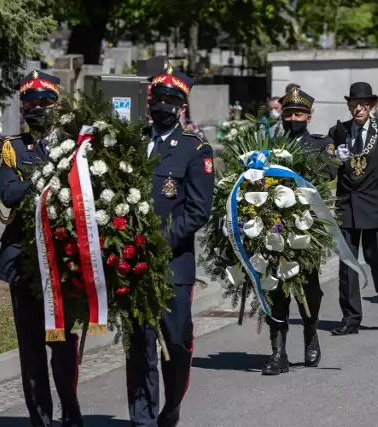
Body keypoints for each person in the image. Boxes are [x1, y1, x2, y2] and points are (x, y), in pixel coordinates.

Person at [0, 70, 83, 427]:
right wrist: (46, 176)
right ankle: (40, 419)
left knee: (61, 344)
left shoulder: (73, 145)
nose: (37, 108)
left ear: (57, 106)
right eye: (31, 103)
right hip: (22, 261)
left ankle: (71, 411)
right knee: (30, 349)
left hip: (62, 259)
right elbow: (9, 194)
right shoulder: (12, 148)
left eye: (45, 102)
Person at [127, 66, 215, 427]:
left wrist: (158, 242)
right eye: (158, 99)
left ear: (181, 106)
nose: (162, 106)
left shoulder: (195, 150)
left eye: (170, 100)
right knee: (139, 346)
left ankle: (171, 406)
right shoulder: (132, 142)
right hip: (132, 263)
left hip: (173, 265)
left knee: (175, 344)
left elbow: (198, 211)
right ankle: (142, 419)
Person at [261, 88, 336, 376]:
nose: (293, 118)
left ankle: (310, 330)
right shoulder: (269, 145)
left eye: (298, 114)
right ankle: (278, 353)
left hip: (307, 225)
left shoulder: (320, 144)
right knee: (275, 288)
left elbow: (329, 172)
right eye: (288, 113)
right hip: (272, 225)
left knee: (308, 288)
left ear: (309, 116)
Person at [329, 81, 378, 334]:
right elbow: (327, 169)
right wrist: (334, 159)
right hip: (347, 204)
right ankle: (351, 318)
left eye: (362, 104)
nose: (357, 109)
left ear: (371, 106)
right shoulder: (338, 131)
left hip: (375, 204)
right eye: (353, 104)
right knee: (348, 264)